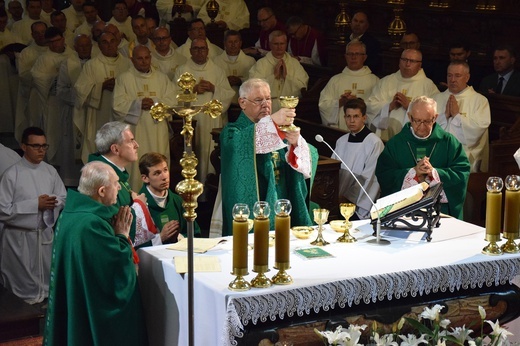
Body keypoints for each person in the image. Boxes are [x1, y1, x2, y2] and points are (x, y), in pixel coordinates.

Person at [43, 161, 148, 345]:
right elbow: (114, 271)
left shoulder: (71, 214)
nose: (118, 188)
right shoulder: (91, 224)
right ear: (101, 191)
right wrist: (122, 236)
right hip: (91, 308)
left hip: (76, 295)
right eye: (115, 184)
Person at [214, 78, 318, 236]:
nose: (265, 104)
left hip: (282, 202)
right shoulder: (232, 132)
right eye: (258, 100)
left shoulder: (277, 130)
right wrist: (274, 121)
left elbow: (309, 155)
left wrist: (296, 143)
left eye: (268, 98)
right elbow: (239, 146)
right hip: (257, 206)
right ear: (242, 103)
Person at [0, 126, 66, 303]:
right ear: (23, 147)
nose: (41, 150)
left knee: (45, 282)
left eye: (44, 146)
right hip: (18, 239)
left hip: (43, 235)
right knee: (19, 287)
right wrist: (35, 204)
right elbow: (3, 209)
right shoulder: (11, 174)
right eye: (36, 146)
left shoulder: (50, 171)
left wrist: (52, 203)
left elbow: (62, 197)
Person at [375, 96, 470, 219]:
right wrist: (412, 173)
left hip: (440, 213)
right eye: (417, 121)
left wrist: (434, 173)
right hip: (404, 213)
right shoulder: (396, 143)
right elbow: (384, 174)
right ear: (409, 117)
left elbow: (462, 173)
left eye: (427, 121)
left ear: (435, 118)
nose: (421, 126)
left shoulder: (449, 142)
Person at [113, 45, 178, 190]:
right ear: (132, 59)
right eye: (139, 58)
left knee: (158, 160)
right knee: (136, 167)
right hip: (135, 131)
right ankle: (135, 197)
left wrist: (155, 103)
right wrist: (138, 104)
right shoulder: (124, 79)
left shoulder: (162, 78)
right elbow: (117, 105)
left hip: (157, 130)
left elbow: (173, 101)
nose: (144, 61)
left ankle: (159, 194)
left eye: (146, 57)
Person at [173, 38, 234, 185]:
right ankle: (191, 188)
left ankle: (209, 189)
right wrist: (192, 90)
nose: (199, 52)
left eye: (202, 48)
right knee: (194, 152)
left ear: (207, 50)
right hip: (191, 120)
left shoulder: (217, 70)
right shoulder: (182, 70)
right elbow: (173, 96)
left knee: (209, 153)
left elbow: (228, 94)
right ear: (190, 51)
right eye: (196, 49)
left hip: (211, 118)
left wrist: (214, 89)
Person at [88, 121, 151, 243]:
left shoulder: (117, 174)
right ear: (115, 149)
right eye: (131, 141)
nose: (136, 145)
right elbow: (115, 223)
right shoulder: (102, 178)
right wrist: (138, 205)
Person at [75, 31, 131, 164]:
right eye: (104, 42)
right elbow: (80, 90)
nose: (109, 45)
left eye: (112, 41)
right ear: (99, 46)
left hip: (122, 115)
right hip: (99, 113)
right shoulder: (91, 65)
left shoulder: (127, 64)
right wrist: (101, 86)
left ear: (117, 43)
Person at [366, 49, 439, 141]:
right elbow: (370, 105)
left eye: (412, 61)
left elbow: (433, 114)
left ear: (419, 65)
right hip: (384, 137)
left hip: (412, 140)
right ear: (399, 62)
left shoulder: (428, 86)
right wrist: (389, 106)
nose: (407, 64)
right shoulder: (386, 81)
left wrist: (410, 106)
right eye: (404, 60)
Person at [433, 62, 491, 173]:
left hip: (465, 156)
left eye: (457, 75)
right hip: (438, 155)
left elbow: (477, 130)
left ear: (467, 77)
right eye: (449, 75)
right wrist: (444, 116)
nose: (452, 79)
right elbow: (427, 127)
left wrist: (456, 116)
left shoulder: (480, 101)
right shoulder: (436, 98)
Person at [332, 98, 384, 219]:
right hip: (338, 201)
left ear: (364, 118)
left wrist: (353, 202)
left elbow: (370, 178)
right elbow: (333, 170)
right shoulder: (341, 141)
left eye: (356, 116)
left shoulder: (374, 142)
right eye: (348, 116)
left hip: (359, 204)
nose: (351, 121)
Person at [30, 26, 73, 165]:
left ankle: (68, 163)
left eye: (57, 40)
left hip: (69, 102)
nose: (55, 44)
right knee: (54, 133)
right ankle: (54, 163)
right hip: (53, 102)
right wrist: (57, 77)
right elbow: (37, 77)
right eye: (51, 42)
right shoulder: (44, 59)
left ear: (63, 39)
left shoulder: (72, 55)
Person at [138, 152, 200, 246]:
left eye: (165, 170)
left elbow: (195, 234)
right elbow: (135, 245)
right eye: (157, 173)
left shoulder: (179, 201)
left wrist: (178, 237)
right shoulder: (137, 205)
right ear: (145, 178)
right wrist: (161, 238)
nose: (164, 177)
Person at [55, 33, 92, 186]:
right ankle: (73, 182)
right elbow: (61, 90)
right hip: (73, 112)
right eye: (80, 45)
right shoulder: (68, 63)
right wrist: (79, 98)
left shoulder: (95, 63)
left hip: (92, 112)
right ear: (75, 47)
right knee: (72, 146)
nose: (84, 48)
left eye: (87, 45)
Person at [319, 41, 379, 130]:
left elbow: (377, 107)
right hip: (340, 130)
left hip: (365, 132)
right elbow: (323, 105)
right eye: (350, 54)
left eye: (357, 54)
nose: (353, 57)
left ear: (364, 57)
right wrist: (340, 102)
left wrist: (358, 102)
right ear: (345, 56)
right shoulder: (335, 80)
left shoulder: (374, 80)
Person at [248, 30, 309, 112]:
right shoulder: (261, 64)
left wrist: (287, 77)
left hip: (289, 108)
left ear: (286, 44)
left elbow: (303, 87)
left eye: (282, 44)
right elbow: (253, 88)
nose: (279, 47)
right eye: (276, 44)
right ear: (270, 45)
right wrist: (273, 76)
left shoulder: (295, 64)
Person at [13, 21, 48, 142]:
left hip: (52, 96)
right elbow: (23, 75)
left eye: (43, 32)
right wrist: (39, 76)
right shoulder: (27, 52)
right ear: (32, 35)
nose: (40, 35)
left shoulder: (53, 50)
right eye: (37, 33)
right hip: (35, 94)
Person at [213, 29, 255, 104]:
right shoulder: (216, 61)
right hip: (223, 103)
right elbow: (213, 82)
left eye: (236, 42)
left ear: (240, 43)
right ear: (224, 43)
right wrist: (226, 81)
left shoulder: (250, 61)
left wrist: (240, 81)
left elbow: (254, 83)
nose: (233, 45)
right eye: (230, 42)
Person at [347, 11, 381, 76]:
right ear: (351, 23)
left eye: (361, 22)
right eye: (355, 21)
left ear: (367, 25)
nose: (357, 24)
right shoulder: (344, 40)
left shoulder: (373, 43)